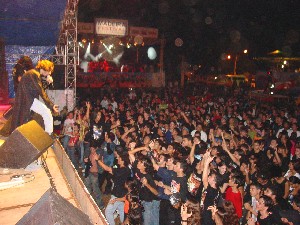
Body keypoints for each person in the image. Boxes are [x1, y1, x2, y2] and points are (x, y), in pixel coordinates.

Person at [10, 59, 59, 135]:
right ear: (44, 69)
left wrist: (47, 82)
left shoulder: (34, 74)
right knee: (46, 112)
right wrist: (51, 105)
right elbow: (41, 91)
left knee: (22, 120)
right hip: (27, 100)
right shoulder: (33, 74)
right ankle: (49, 135)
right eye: (49, 71)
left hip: (27, 99)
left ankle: (49, 134)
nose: (49, 73)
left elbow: (38, 89)